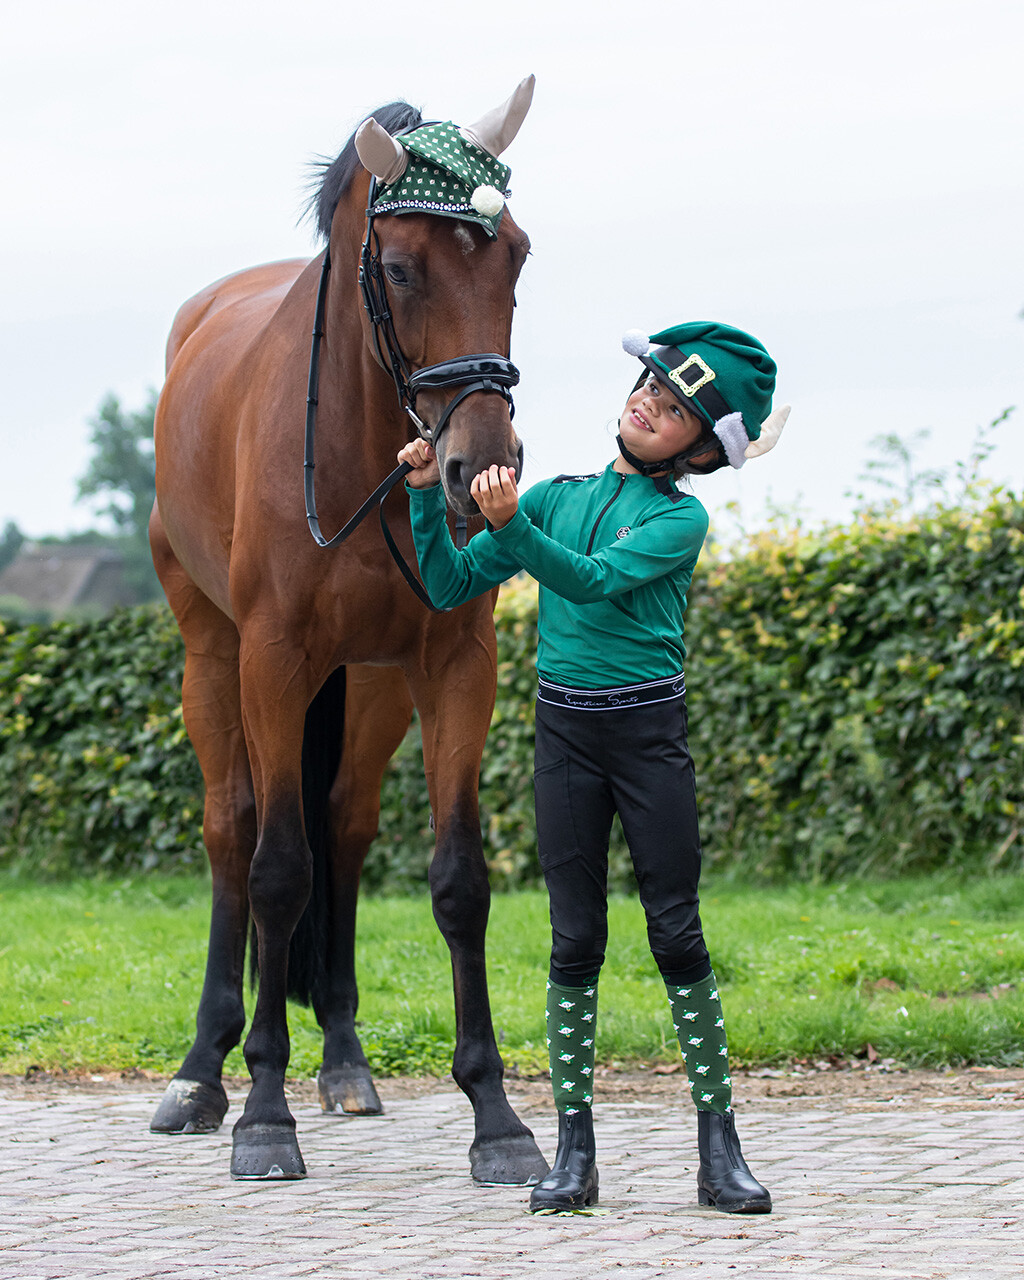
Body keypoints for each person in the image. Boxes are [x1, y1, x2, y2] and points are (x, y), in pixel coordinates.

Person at [398, 322, 788, 1215]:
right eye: (652, 385)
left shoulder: (678, 519)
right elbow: (450, 584)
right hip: (565, 740)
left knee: (676, 936)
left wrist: (509, 524)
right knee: (574, 943)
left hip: (648, 741)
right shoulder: (561, 497)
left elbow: (587, 582)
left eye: (679, 406)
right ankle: (573, 1154)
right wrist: (429, 496)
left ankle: (719, 1149)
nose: (652, 403)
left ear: (700, 448)